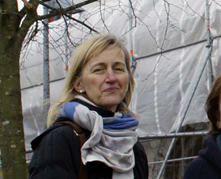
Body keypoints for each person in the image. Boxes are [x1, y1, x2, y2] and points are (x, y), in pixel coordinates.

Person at [29, 33, 148, 179]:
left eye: (118, 69)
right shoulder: (61, 140)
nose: (111, 78)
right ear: (78, 84)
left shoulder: (133, 147)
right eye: (99, 70)